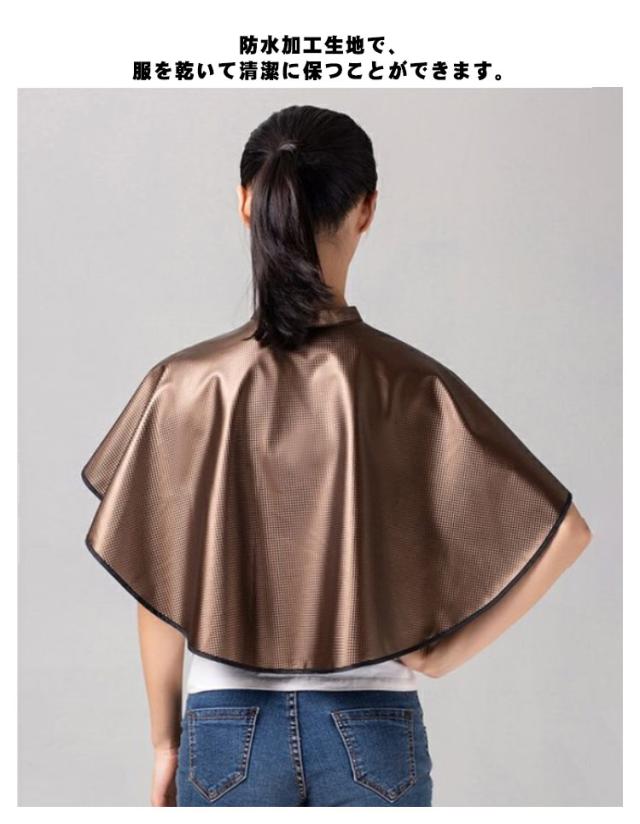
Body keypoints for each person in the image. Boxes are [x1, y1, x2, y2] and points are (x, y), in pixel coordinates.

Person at [81, 104, 592, 807]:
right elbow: (567, 532)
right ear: (367, 210)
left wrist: (165, 746)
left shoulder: (185, 386)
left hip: (226, 733)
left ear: (246, 204)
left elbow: (159, 588)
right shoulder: (409, 383)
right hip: (373, 729)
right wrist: (444, 654)